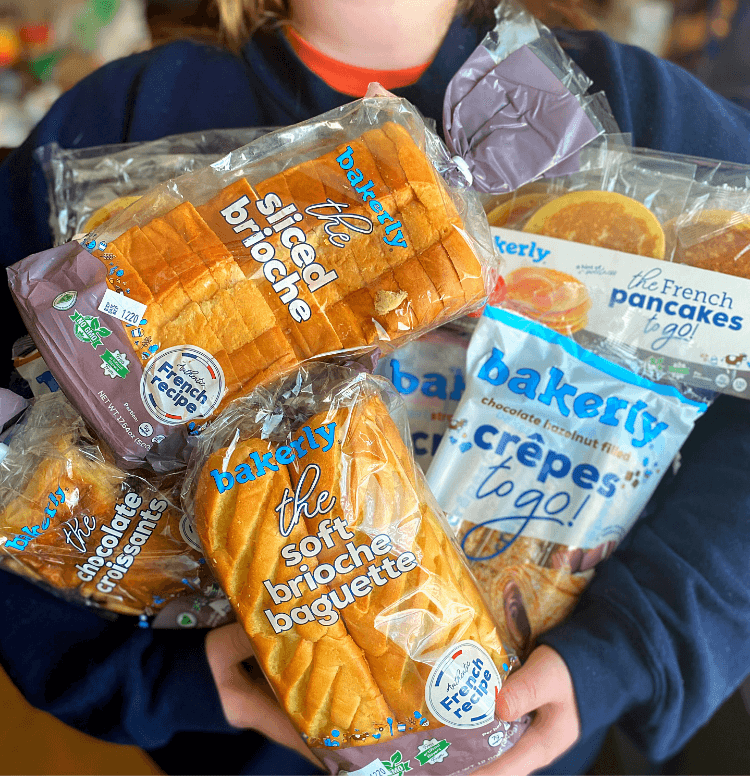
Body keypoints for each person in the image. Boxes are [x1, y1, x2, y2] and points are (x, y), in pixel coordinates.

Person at [1, 1, 750, 774]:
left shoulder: (634, 109)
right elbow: (18, 496)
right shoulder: (116, 122)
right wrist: (168, 682)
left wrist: (632, 647)